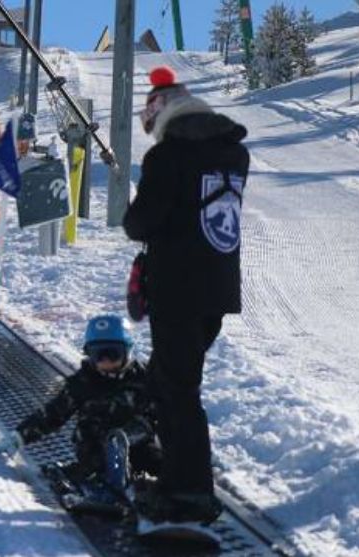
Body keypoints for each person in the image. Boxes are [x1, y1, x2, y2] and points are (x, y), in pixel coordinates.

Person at [123, 66, 249, 525]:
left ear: (160, 117)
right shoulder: (235, 154)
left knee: (179, 389)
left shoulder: (167, 158)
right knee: (169, 378)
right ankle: (159, 454)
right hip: (218, 287)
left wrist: (140, 202)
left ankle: (188, 491)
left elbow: (141, 222)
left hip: (176, 286)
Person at [0, 315, 159, 493]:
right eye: (99, 355)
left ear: (128, 351)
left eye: (113, 354)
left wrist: (137, 431)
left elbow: (162, 410)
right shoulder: (83, 383)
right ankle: (105, 484)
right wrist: (20, 436)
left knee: (158, 462)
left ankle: (158, 491)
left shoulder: (143, 378)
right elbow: (53, 413)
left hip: (136, 442)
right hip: (95, 445)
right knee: (96, 467)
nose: (106, 362)